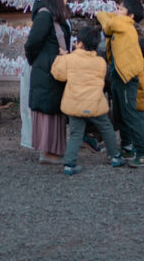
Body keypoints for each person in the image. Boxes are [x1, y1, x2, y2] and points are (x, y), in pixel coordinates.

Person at [51, 24, 125, 175]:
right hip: (95, 104)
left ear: (79, 43)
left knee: (76, 134)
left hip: (75, 105)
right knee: (106, 128)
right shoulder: (100, 62)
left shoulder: (69, 59)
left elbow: (58, 74)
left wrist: (61, 57)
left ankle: (69, 165)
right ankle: (115, 156)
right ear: (96, 45)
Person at [96, 0, 144, 168]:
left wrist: (111, 17)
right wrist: (114, 15)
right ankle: (127, 148)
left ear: (131, 16)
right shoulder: (122, 24)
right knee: (120, 114)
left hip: (126, 77)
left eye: (121, 9)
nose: (116, 12)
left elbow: (104, 20)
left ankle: (143, 154)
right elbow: (105, 16)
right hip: (118, 76)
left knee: (130, 115)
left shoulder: (123, 25)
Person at [24, 0, 71, 164]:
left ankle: (52, 150)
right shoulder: (45, 15)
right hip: (48, 69)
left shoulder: (51, 14)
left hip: (50, 68)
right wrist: (41, 61)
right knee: (49, 111)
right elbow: (32, 43)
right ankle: (48, 151)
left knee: (53, 109)